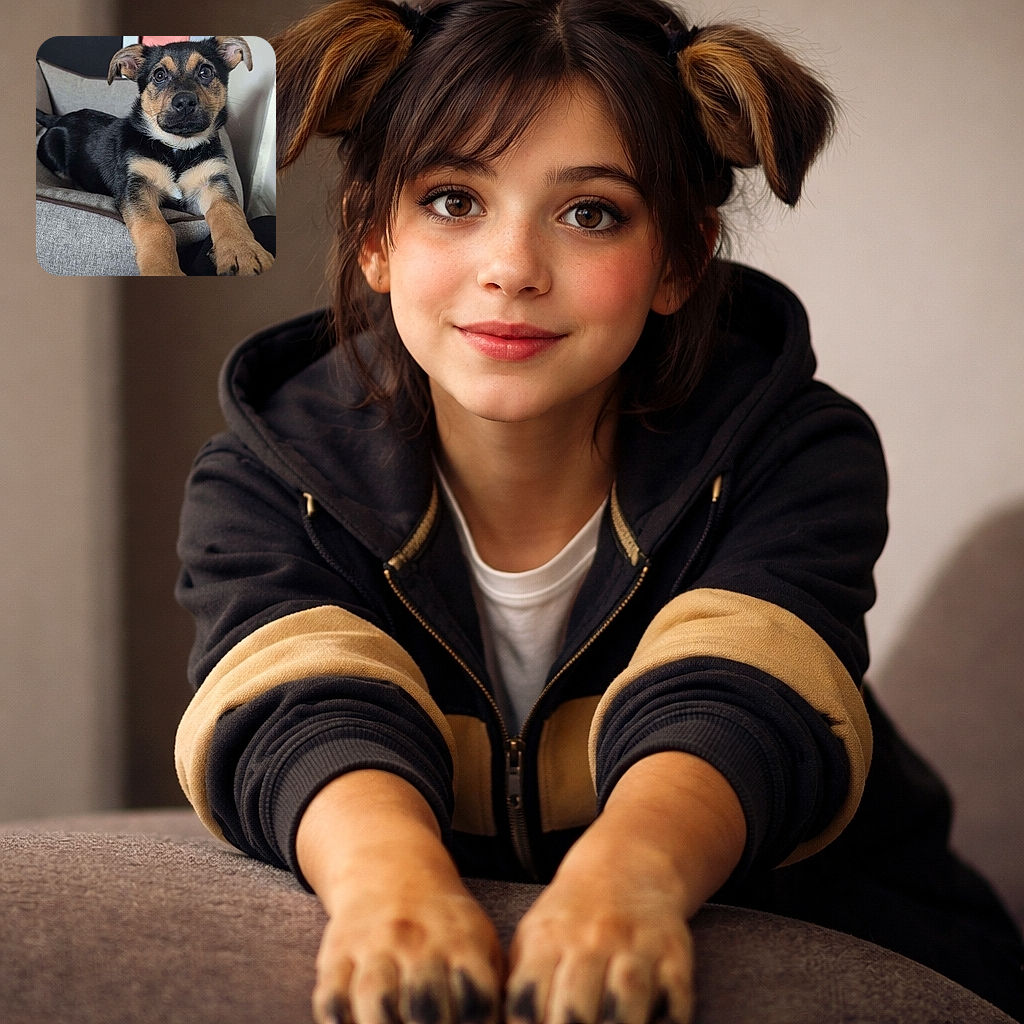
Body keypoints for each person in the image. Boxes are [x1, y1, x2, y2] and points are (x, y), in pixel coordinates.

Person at [173, 1, 1024, 1021]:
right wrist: (389, 886)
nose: (512, 268)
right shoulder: (261, 476)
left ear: (679, 260)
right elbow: (298, 704)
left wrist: (627, 881)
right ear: (370, 237)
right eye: (451, 199)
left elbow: (739, 696)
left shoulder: (797, 452)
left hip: (877, 936)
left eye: (590, 213)